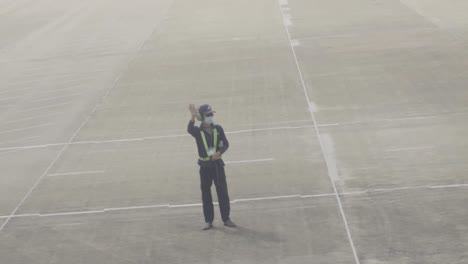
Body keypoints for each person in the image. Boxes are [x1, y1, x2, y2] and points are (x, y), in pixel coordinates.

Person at [187, 104, 236, 230]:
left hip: (217, 166)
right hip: (205, 167)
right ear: (202, 117)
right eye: (208, 115)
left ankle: (226, 218)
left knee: (222, 193)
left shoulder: (218, 129)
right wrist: (193, 117)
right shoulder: (198, 131)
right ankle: (208, 220)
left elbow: (225, 144)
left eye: (211, 115)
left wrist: (219, 153)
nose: (211, 117)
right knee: (206, 194)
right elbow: (189, 129)